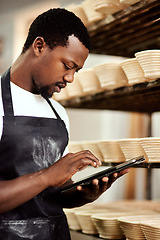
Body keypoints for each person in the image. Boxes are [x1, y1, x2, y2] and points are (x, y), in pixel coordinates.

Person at [0, 8, 129, 240]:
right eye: (67, 66)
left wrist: (84, 194)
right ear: (39, 46)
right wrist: (48, 175)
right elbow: (48, 178)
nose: (70, 78)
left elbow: (53, 196)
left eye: (76, 71)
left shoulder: (58, 112)